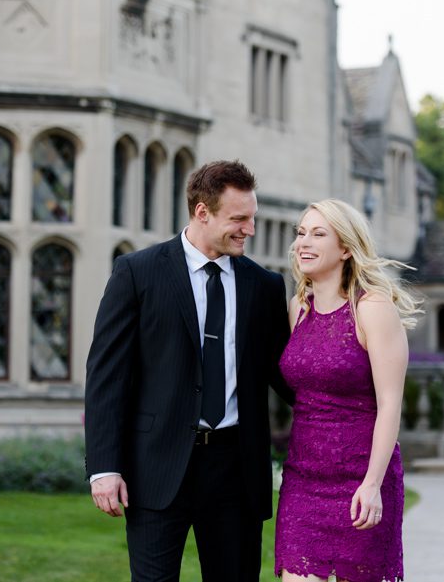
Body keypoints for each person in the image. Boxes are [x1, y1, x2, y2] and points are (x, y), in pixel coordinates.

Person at [85, 160, 294, 581]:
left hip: (237, 469)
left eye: (252, 217)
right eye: (239, 219)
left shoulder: (265, 286)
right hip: (156, 467)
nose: (250, 229)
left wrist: (351, 410)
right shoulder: (137, 272)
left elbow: (285, 374)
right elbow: (107, 377)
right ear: (202, 212)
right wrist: (104, 467)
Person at [275, 199, 423, 582]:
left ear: (345, 248)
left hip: (361, 480)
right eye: (301, 233)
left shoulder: (372, 308)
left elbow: (390, 405)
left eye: (318, 234)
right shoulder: (297, 308)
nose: (304, 242)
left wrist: (372, 484)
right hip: (303, 481)